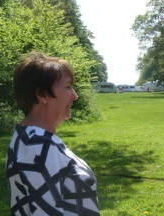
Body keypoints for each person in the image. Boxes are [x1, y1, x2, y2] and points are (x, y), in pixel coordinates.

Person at [6, 52, 100, 215]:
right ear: (42, 94)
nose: (75, 96)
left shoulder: (29, 137)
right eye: (68, 87)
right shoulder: (38, 146)